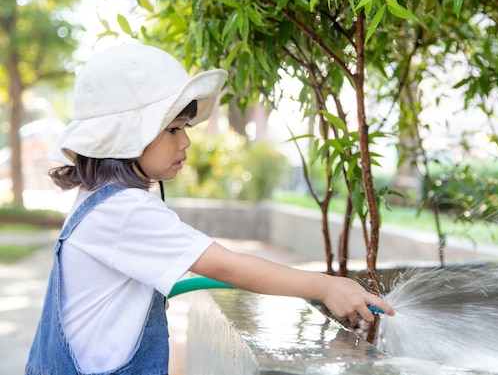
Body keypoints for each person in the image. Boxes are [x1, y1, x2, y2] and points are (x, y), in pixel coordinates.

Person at [25, 44, 394, 375]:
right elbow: (225, 265)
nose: (186, 140)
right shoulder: (123, 210)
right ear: (126, 137)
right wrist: (325, 286)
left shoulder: (98, 196)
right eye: (173, 129)